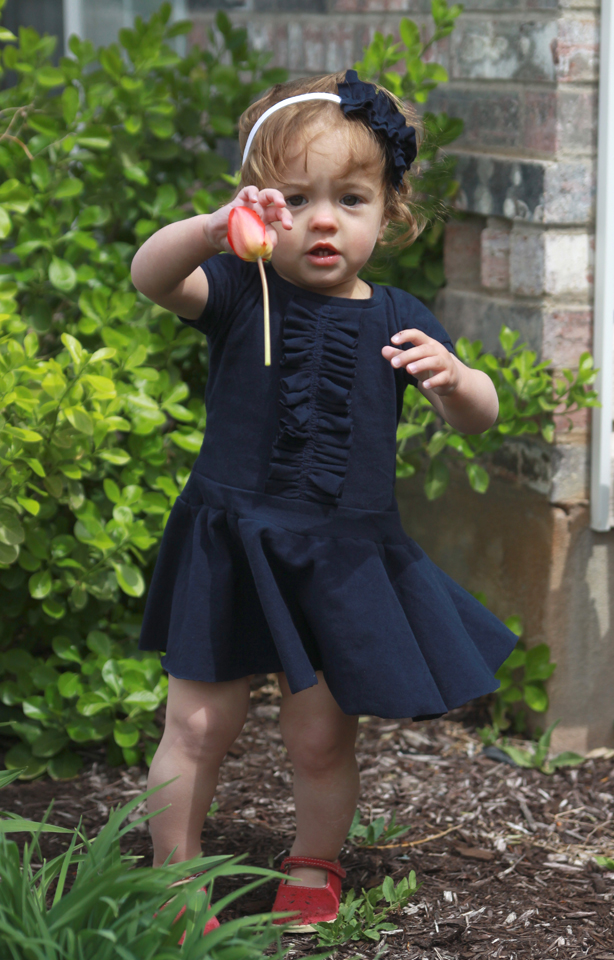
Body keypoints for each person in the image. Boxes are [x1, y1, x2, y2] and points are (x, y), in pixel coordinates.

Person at [130, 68, 518, 932]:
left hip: (337, 558)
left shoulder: (396, 317)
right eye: (295, 199)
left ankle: (313, 865)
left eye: (350, 198)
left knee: (319, 738)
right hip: (230, 543)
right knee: (195, 724)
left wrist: (454, 379)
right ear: (258, 207)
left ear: (390, 214)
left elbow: (479, 418)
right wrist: (209, 232)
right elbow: (151, 276)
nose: (323, 220)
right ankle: (172, 872)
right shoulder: (239, 293)